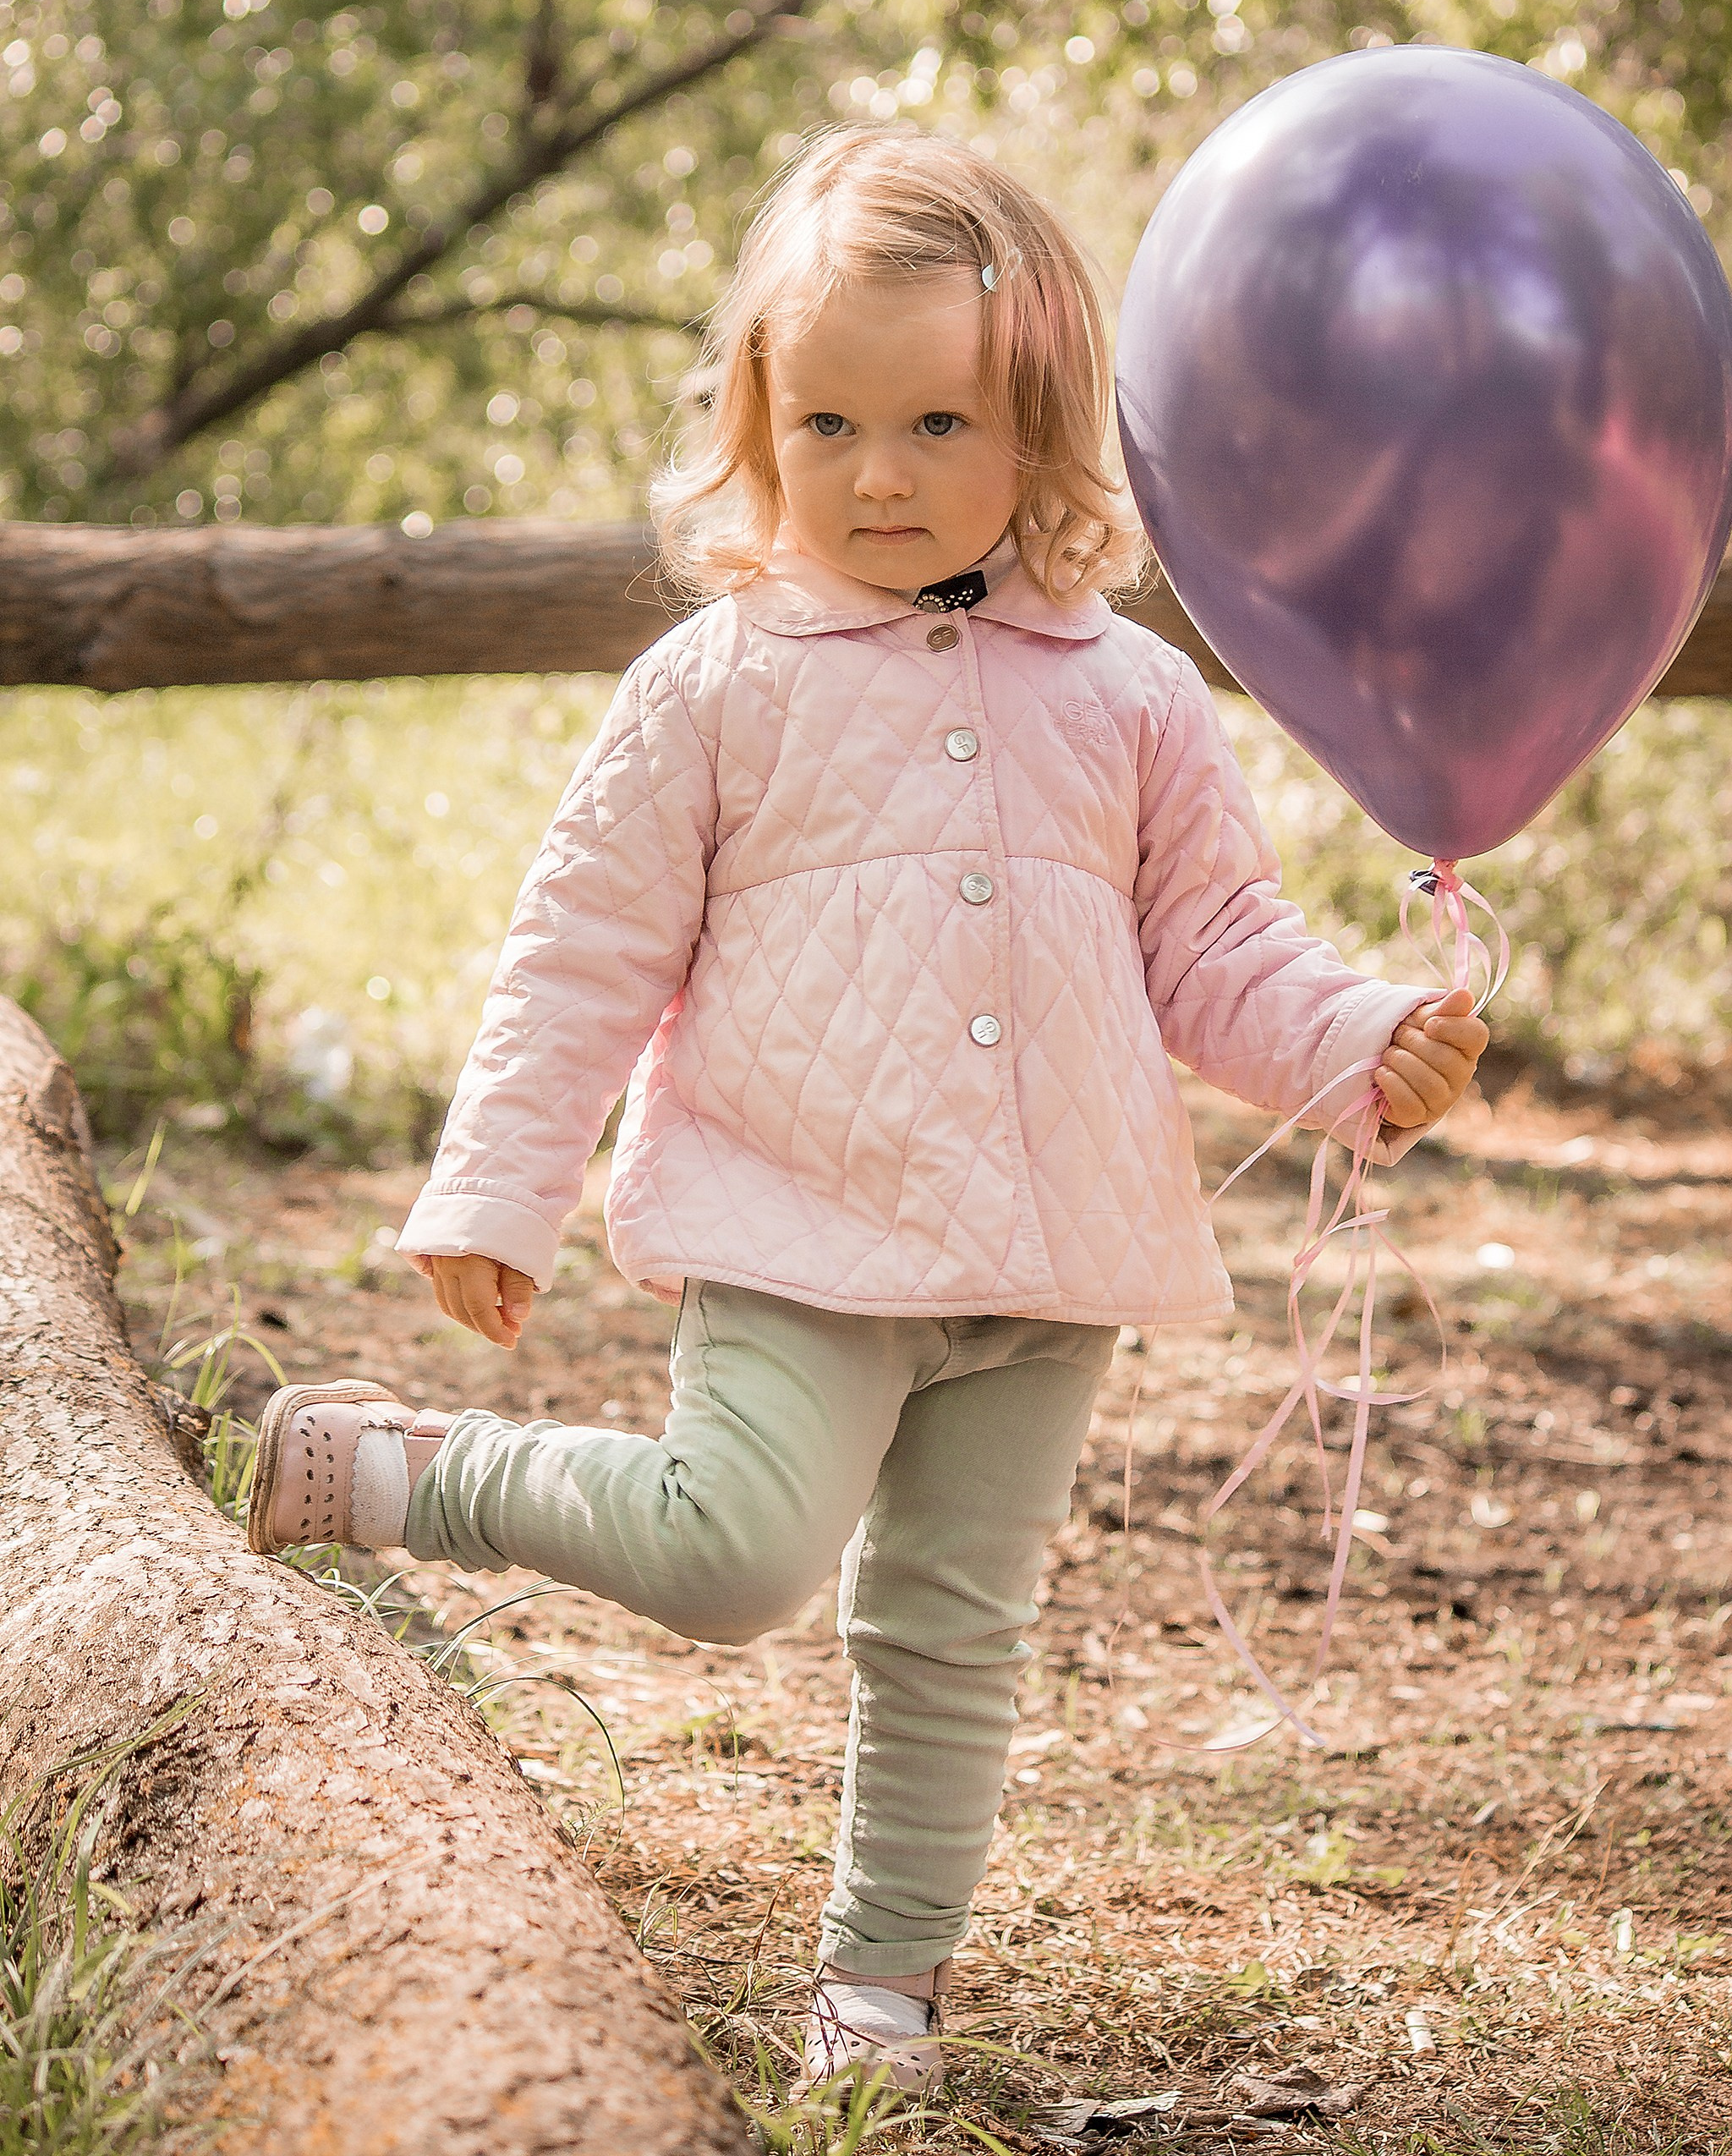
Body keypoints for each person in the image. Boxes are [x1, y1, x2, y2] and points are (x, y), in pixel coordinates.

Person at [246, 126, 1488, 2096]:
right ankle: (410, 1475)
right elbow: (580, 950)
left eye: (935, 422)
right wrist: (500, 1189)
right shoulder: (716, 684)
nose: (880, 471)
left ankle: (879, 1997)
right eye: (827, 420)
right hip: (796, 1219)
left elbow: (1217, 945)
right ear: (755, 416)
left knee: (945, 1632)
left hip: (1045, 1254)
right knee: (735, 1556)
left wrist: (1356, 1042)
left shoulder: (1132, 698)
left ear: (1044, 431)